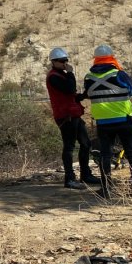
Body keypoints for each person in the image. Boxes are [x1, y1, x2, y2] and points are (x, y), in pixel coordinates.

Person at [83, 45, 132, 199]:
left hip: (103, 122)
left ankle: (106, 188)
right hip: (124, 119)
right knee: (131, 152)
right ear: (112, 57)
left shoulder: (89, 77)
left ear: (95, 59)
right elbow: (130, 90)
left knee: (105, 155)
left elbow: (89, 94)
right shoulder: (119, 74)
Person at [46, 47, 99, 189]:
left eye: (66, 61)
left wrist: (83, 95)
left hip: (73, 114)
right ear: (54, 62)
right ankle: (69, 178)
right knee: (69, 147)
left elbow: (70, 95)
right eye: (62, 61)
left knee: (86, 143)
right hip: (65, 116)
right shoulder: (54, 77)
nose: (65, 63)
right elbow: (69, 89)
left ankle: (85, 174)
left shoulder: (61, 75)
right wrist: (71, 73)